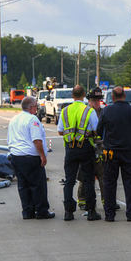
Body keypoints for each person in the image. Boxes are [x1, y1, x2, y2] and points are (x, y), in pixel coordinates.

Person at [97, 86, 131, 222]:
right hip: (129, 153)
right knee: (129, 183)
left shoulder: (107, 111)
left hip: (111, 153)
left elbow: (98, 130)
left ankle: (110, 215)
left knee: (109, 183)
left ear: (112, 97)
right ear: (125, 96)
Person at [58, 85, 101, 222]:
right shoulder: (89, 111)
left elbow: (60, 131)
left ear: (72, 96)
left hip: (70, 148)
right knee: (88, 179)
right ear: (83, 96)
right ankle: (91, 211)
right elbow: (97, 129)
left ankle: (68, 212)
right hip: (86, 147)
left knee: (69, 181)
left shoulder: (65, 111)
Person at [7, 96, 55, 220]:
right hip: (30, 157)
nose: (37, 108)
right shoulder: (32, 119)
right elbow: (37, 140)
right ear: (31, 107)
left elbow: (9, 139)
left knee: (23, 186)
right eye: (36, 106)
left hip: (16, 156)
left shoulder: (14, 119)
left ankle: (27, 211)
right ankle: (41, 211)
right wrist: (42, 155)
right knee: (38, 185)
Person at [76, 87, 114, 210]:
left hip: (101, 149)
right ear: (88, 100)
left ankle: (106, 201)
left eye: (98, 100)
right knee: (85, 177)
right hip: (86, 148)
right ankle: (82, 201)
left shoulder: (104, 112)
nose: (96, 102)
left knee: (104, 177)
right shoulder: (84, 112)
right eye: (94, 100)